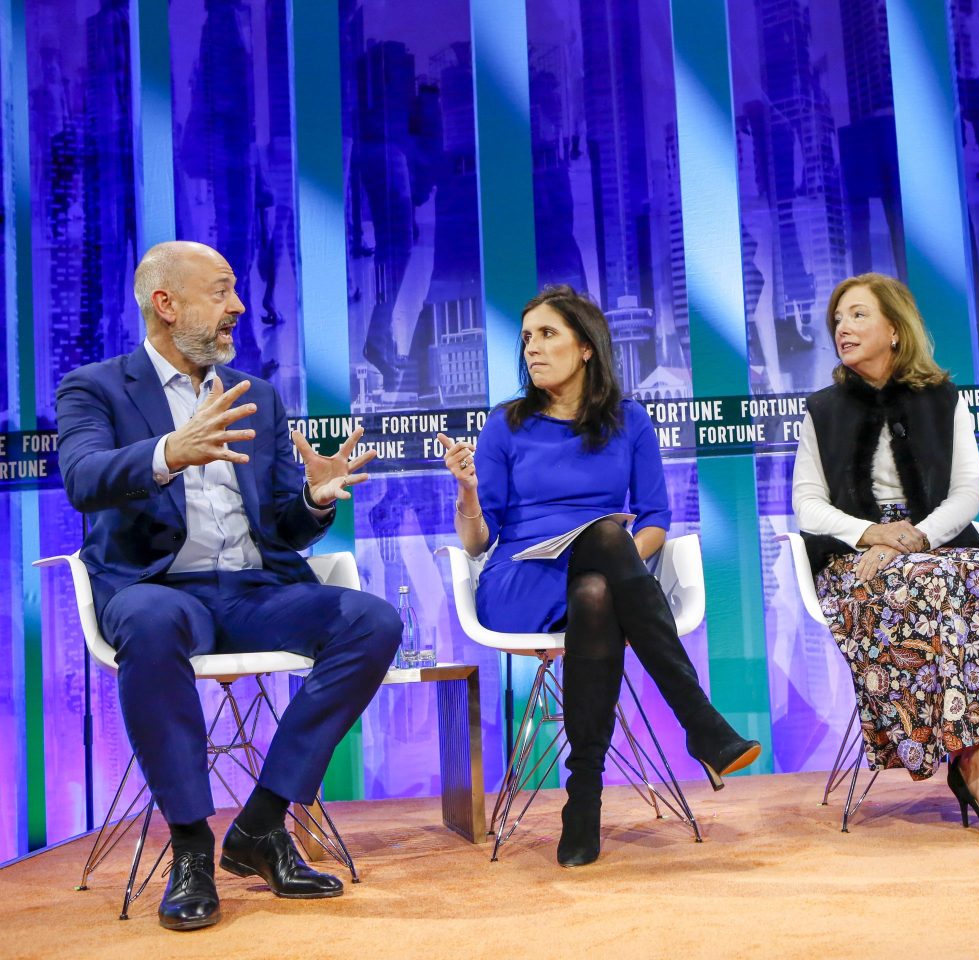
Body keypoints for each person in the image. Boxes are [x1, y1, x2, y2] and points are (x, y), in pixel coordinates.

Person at [56, 241, 401, 930]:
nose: (238, 306)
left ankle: (263, 824)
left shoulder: (256, 396)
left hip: (251, 589)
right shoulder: (94, 388)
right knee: (151, 622)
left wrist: (315, 498)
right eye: (221, 291)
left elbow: (283, 527)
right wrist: (166, 453)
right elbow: (82, 479)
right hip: (161, 590)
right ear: (166, 304)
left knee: (373, 622)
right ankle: (190, 845)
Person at [439, 284, 761, 867]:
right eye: (527, 338)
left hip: (597, 577)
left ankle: (582, 800)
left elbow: (657, 519)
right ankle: (700, 722)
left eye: (547, 334)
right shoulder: (505, 425)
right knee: (608, 538)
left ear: (586, 347)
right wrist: (466, 494)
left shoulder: (629, 422)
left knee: (597, 582)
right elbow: (479, 540)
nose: (532, 349)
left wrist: (616, 560)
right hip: (518, 580)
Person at [792, 273, 979, 837]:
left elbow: (967, 493)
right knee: (942, 586)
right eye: (837, 320)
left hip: (935, 545)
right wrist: (873, 534)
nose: (841, 329)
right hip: (859, 563)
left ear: (895, 331)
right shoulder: (822, 409)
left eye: (856, 316)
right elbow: (807, 506)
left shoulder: (943, 398)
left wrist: (916, 536)